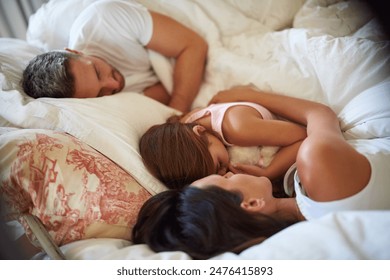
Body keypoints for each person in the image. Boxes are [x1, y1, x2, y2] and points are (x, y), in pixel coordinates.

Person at [132, 88, 390, 259]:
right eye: (225, 178)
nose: (231, 171)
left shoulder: (305, 207)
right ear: (252, 203)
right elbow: (318, 114)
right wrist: (251, 94)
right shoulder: (318, 165)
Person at [22, 0, 208, 113]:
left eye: (98, 72)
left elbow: (193, 45)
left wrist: (179, 110)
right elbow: (164, 91)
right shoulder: (94, 107)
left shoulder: (105, 19)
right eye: (100, 94)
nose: (114, 85)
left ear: (75, 51)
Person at [139, 87, 307, 189]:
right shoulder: (185, 124)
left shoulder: (239, 130)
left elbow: (303, 136)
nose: (222, 172)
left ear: (201, 132)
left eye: (219, 164)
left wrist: (268, 173)